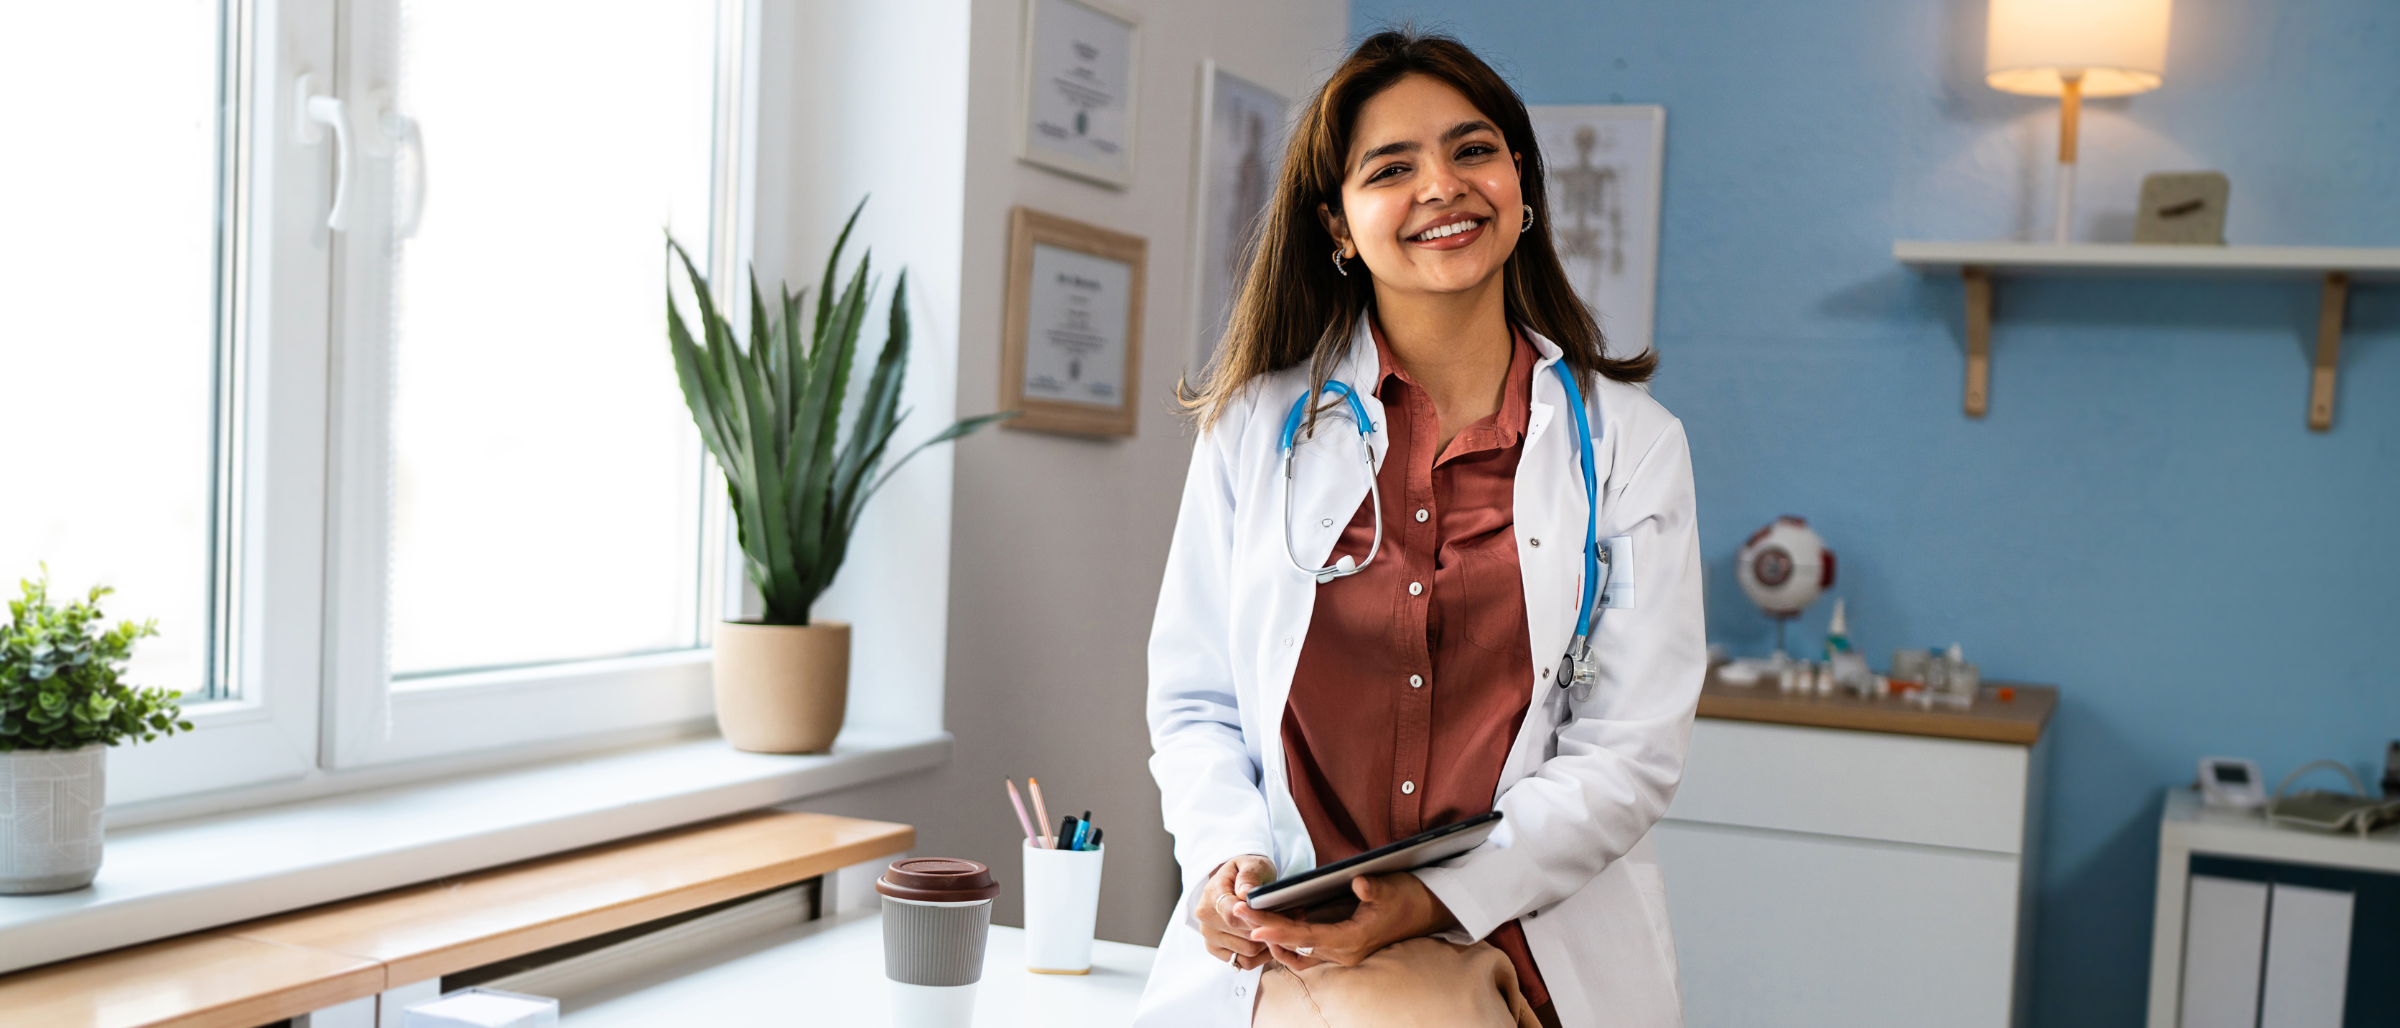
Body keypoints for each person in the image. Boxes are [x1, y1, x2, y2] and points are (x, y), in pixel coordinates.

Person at [1136, 28, 1704, 1028]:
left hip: (1519, 927)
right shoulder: (1252, 431)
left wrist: (1432, 899)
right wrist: (1227, 859)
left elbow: (1629, 749)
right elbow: (1197, 704)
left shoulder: (1630, 444)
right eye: (1392, 167)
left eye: (1473, 150)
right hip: (1298, 931)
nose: (1443, 185)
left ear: (1522, 189)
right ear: (1340, 226)